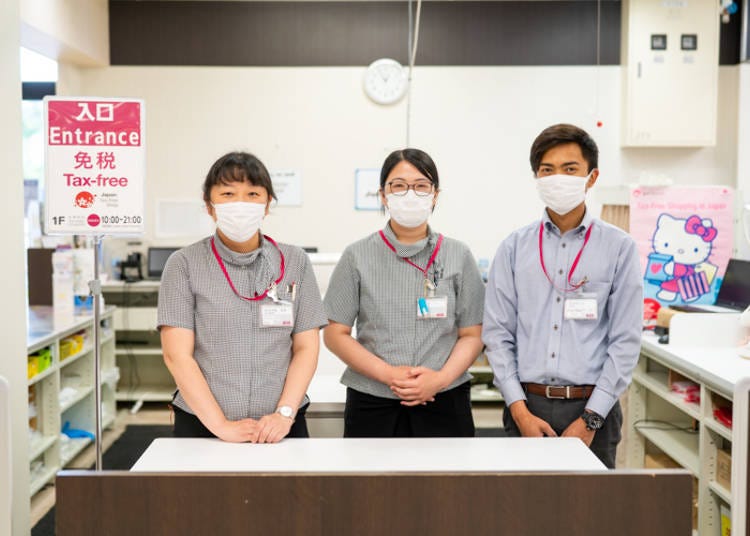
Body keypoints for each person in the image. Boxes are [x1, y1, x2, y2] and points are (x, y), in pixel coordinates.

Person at [482, 124, 643, 468]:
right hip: (527, 404)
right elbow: (497, 335)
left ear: (592, 176)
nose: (558, 178)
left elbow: (625, 341)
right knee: (523, 511)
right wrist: (519, 410)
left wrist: (591, 420)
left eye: (570, 169)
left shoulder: (619, 248)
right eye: (547, 170)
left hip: (592, 407)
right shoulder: (513, 248)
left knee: (590, 515)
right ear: (536, 177)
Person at [158, 151, 328, 443]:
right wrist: (221, 425)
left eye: (252, 193)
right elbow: (177, 356)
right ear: (209, 206)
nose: (241, 204)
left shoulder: (295, 261)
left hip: (281, 425)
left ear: (266, 205)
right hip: (203, 425)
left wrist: (285, 414)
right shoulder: (183, 264)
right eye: (227, 193)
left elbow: (306, 348)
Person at [323, 148, 485, 437]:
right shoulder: (357, 255)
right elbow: (335, 334)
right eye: (398, 186)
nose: (410, 195)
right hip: (373, 400)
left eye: (421, 186)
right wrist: (389, 375)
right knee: (372, 483)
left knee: (447, 482)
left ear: (435, 195)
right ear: (383, 195)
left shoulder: (458, 255)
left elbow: (472, 334)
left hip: (443, 397)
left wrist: (440, 379)